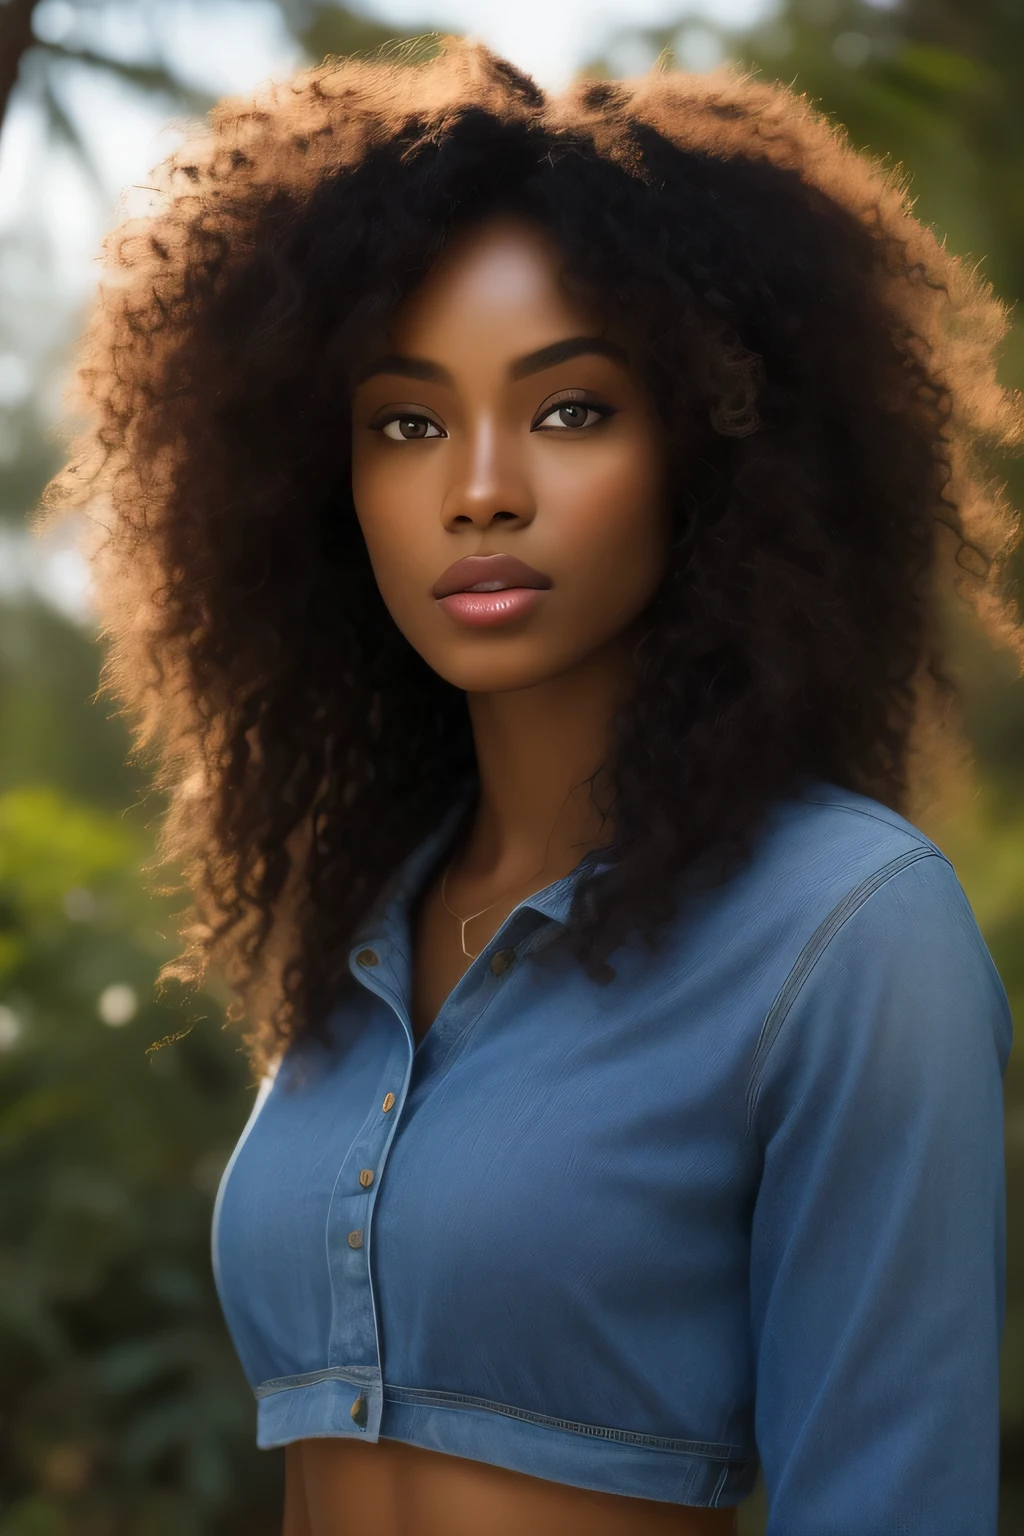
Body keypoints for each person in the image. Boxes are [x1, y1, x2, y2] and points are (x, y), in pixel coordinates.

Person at [40, 34, 1021, 1536]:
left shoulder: (847, 930)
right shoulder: (357, 935)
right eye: (407, 423)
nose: (479, 484)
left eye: (570, 411)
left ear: (711, 448)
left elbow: (893, 1497)